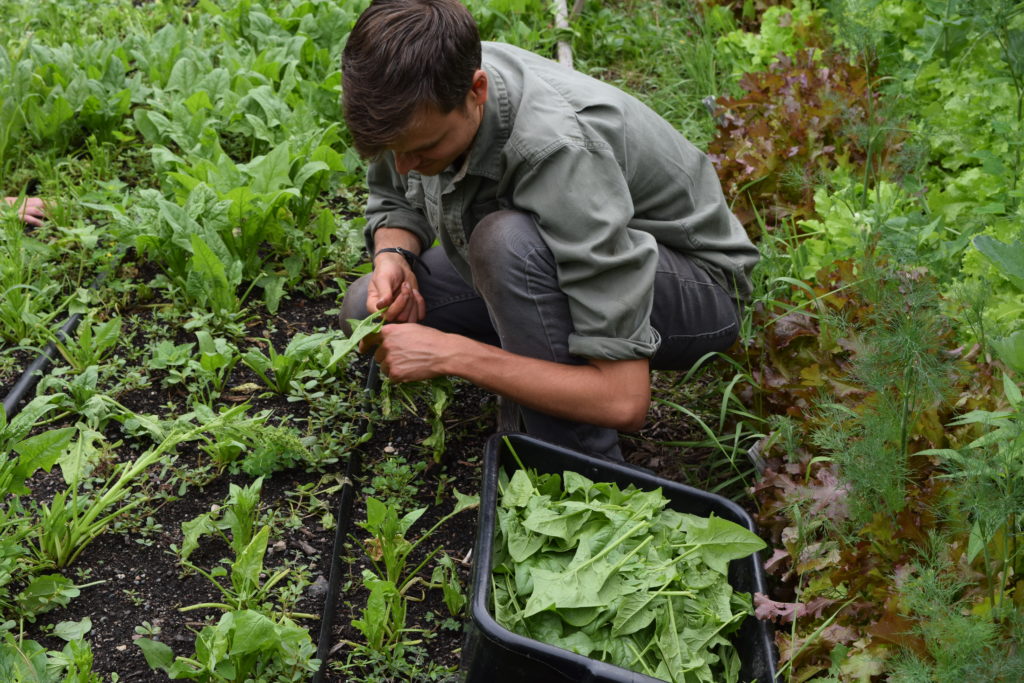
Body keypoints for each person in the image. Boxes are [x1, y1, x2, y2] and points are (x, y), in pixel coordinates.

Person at [339, 0, 759, 461]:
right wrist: (393, 256)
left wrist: (453, 356)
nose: (404, 166)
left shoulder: (558, 151)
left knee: (507, 245)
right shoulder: (416, 96)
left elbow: (623, 398)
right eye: (391, 150)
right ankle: (537, 360)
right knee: (366, 309)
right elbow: (396, 197)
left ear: (476, 91)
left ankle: (581, 475)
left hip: (697, 287)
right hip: (557, 255)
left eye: (423, 149)